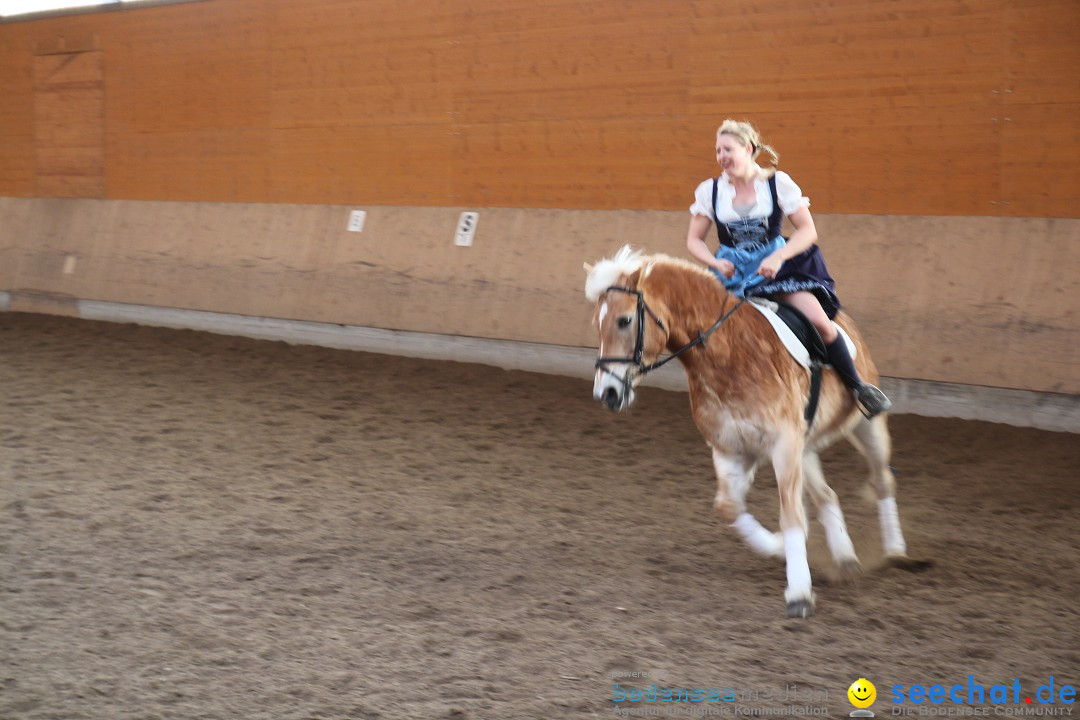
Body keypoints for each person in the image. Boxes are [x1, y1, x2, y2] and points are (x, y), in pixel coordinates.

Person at [685, 119, 891, 418]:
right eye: (717, 151)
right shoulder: (710, 191)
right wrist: (714, 262)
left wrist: (779, 258)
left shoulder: (777, 183)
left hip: (779, 270)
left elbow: (808, 230)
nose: (721, 157)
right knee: (701, 331)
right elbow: (694, 240)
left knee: (820, 322)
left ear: (749, 148)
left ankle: (858, 387)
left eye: (727, 149)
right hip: (732, 273)